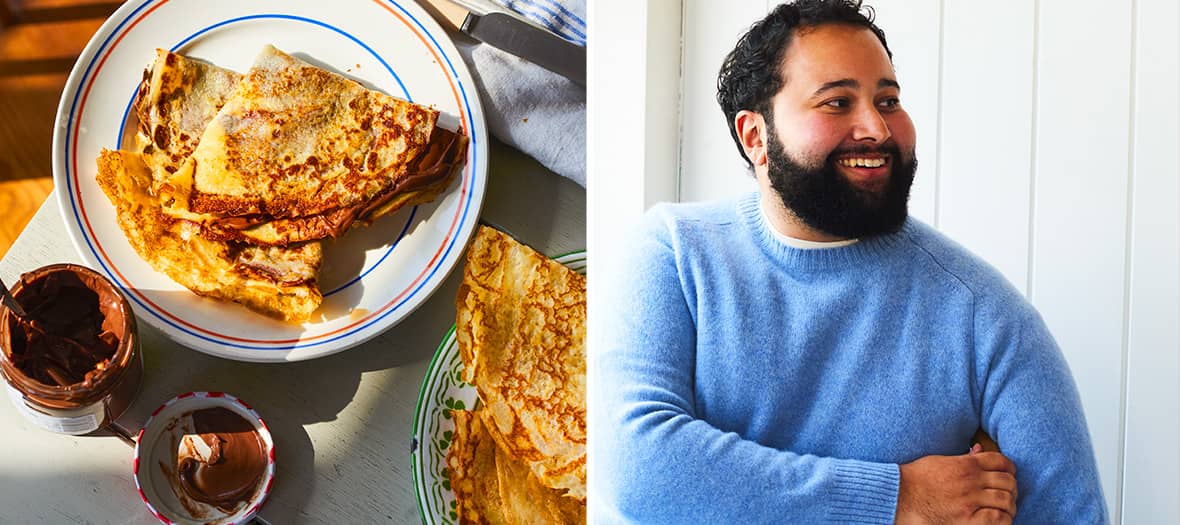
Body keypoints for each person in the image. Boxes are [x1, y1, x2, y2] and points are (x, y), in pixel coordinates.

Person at [589, 1, 1108, 523]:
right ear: (755, 136)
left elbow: (1071, 515)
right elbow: (637, 469)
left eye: (888, 100)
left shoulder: (986, 317)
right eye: (837, 102)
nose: (876, 129)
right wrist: (899, 498)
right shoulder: (675, 256)